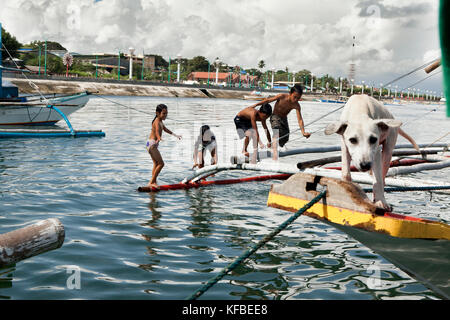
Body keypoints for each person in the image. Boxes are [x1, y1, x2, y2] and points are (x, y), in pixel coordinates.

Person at [249, 84, 311, 160]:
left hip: (284, 119)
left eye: (298, 98)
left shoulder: (296, 105)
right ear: (290, 93)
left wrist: (303, 132)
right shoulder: (282, 96)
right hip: (275, 116)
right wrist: (255, 105)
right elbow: (268, 100)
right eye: (295, 97)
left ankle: (273, 147)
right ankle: (274, 152)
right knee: (276, 130)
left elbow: (300, 119)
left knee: (285, 138)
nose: (296, 100)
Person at [146, 104, 181, 189]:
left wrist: (175, 135)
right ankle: (152, 182)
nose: (165, 115)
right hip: (152, 144)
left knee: (156, 163)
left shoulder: (160, 121)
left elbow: (165, 129)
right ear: (157, 113)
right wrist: (159, 138)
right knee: (161, 163)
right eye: (164, 113)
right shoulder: (157, 121)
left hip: (150, 144)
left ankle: (153, 181)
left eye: (166, 113)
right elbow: (157, 131)